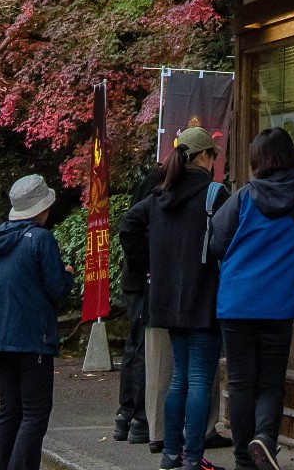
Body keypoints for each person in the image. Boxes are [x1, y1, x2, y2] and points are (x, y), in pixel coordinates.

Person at [209, 128, 294, 470]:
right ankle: (264, 439)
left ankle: (242, 460)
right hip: (279, 303)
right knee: (270, 380)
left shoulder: (243, 197)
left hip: (236, 301)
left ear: (257, 161)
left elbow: (216, 243)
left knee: (240, 382)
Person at [121, 125, 226, 470]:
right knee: (198, 379)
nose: (215, 161)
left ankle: (170, 455)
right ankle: (193, 457)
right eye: (213, 154)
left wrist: (148, 265)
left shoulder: (159, 196)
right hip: (204, 295)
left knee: (180, 376)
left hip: (165, 298)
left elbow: (128, 226)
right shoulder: (215, 195)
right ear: (203, 157)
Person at [0, 172, 75, 470]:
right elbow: (56, 288)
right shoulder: (40, 239)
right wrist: (69, 274)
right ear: (41, 210)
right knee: (34, 414)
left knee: (9, 411)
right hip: (32, 337)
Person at [115, 162, 164, 443]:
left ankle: (126, 415)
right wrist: (145, 266)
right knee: (144, 347)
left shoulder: (149, 184)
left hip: (134, 281)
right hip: (142, 281)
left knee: (134, 347)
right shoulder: (157, 189)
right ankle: (140, 418)